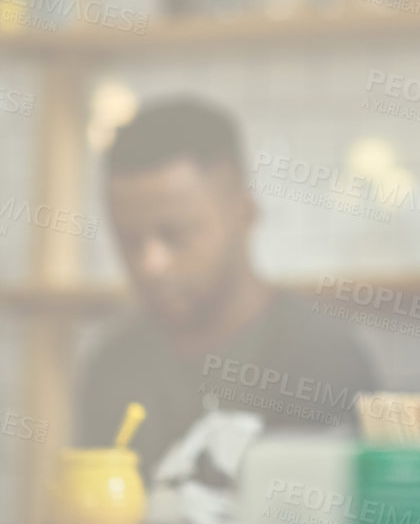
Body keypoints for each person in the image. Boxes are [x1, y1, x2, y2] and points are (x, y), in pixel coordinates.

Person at [76, 96, 379, 480]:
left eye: (176, 235)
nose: (151, 264)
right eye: (129, 240)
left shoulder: (321, 360)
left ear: (244, 214)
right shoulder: (114, 365)